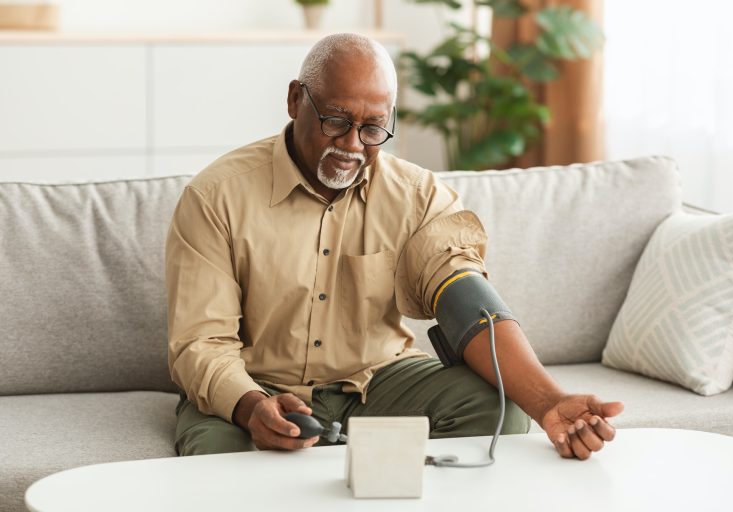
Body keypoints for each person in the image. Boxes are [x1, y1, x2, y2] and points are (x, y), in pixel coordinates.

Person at [165, 33, 624, 461]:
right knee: (217, 460)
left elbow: (466, 304)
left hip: (377, 382)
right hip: (256, 384)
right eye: (336, 121)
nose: (351, 144)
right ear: (294, 100)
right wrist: (249, 407)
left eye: (372, 128)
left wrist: (550, 401)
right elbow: (200, 343)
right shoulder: (216, 197)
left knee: (497, 407)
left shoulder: (419, 196)